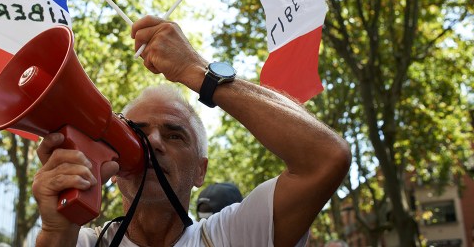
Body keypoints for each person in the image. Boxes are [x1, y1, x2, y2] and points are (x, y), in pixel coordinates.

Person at [32, 16, 351, 246]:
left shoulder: (233, 236)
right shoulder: (81, 242)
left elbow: (326, 158)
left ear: (201, 170)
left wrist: (198, 72)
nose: (153, 142)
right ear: (112, 168)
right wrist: (58, 229)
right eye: (136, 133)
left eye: (175, 135)